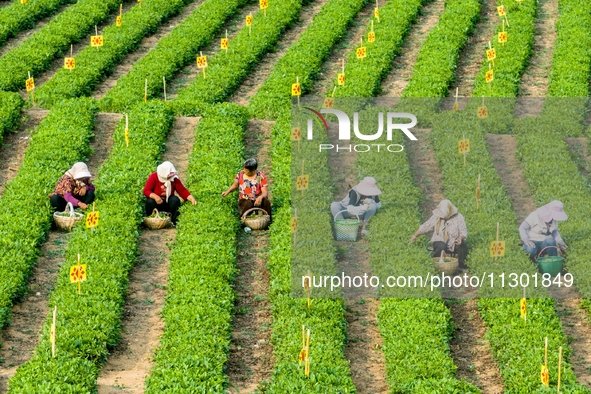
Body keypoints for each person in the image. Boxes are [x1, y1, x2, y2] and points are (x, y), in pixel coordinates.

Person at [409, 199, 468, 269]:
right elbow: (425, 226)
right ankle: (436, 262)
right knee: (442, 246)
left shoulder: (458, 217)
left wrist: (460, 239)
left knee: (463, 246)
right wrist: (414, 236)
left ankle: (461, 266)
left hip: (453, 242)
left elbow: (463, 231)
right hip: (439, 240)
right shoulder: (437, 217)